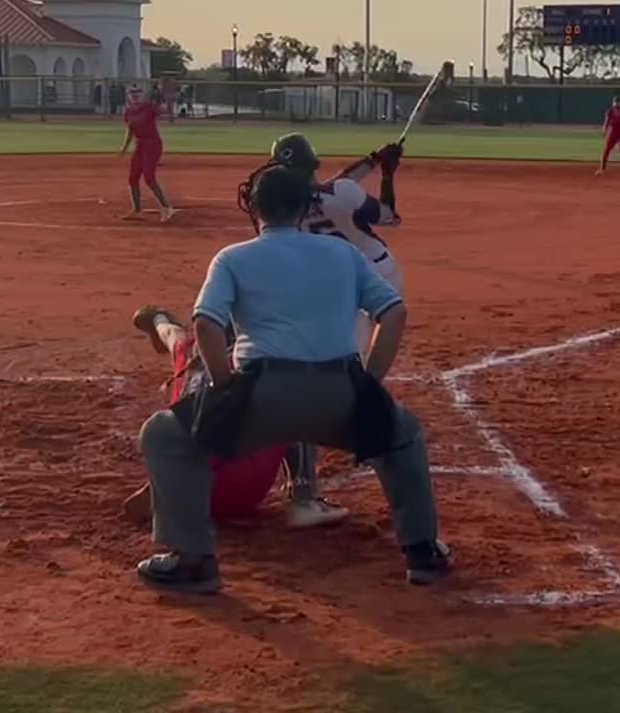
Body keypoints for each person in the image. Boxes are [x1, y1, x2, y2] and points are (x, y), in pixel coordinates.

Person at [135, 164, 449, 594]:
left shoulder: (232, 257)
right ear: (304, 207)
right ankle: (422, 554)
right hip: (341, 394)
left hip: (260, 397)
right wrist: (370, 383)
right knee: (403, 436)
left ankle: (193, 561)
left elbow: (206, 325)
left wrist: (225, 387)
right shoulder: (342, 254)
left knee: (163, 435)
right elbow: (393, 313)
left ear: (253, 207)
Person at [237, 132, 407, 529]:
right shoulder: (341, 193)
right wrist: (386, 173)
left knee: (313, 363)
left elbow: (328, 187)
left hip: (325, 284)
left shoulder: (277, 208)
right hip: (376, 276)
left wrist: (371, 160)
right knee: (342, 370)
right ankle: (358, 408)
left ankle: (304, 482)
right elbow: (385, 213)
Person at [120, 306, 289, 527]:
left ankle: (158, 318)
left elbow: (172, 335)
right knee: (292, 402)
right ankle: (302, 491)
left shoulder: (193, 357)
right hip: (250, 494)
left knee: (176, 343)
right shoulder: (270, 366)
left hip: (192, 495)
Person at [118, 85, 176, 222]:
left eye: (138, 92)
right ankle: (137, 211)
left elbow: (165, 112)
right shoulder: (129, 111)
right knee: (133, 178)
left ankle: (167, 208)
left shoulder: (149, 107)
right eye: (132, 93)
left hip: (153, 145)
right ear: (128, 96)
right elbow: (130, 130)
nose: (135, 95)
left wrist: (167, 99)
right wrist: (124, 147)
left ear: (142, 95)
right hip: (140, 146)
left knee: (149, 177)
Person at [597, 95, 620, 177]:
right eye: (615, 102)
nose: (617, 103)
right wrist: (604, 129)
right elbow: (606, 121)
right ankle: (601, 169)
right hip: (613, 132)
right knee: (606, 150)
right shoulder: (610, 111)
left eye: (618, 102)